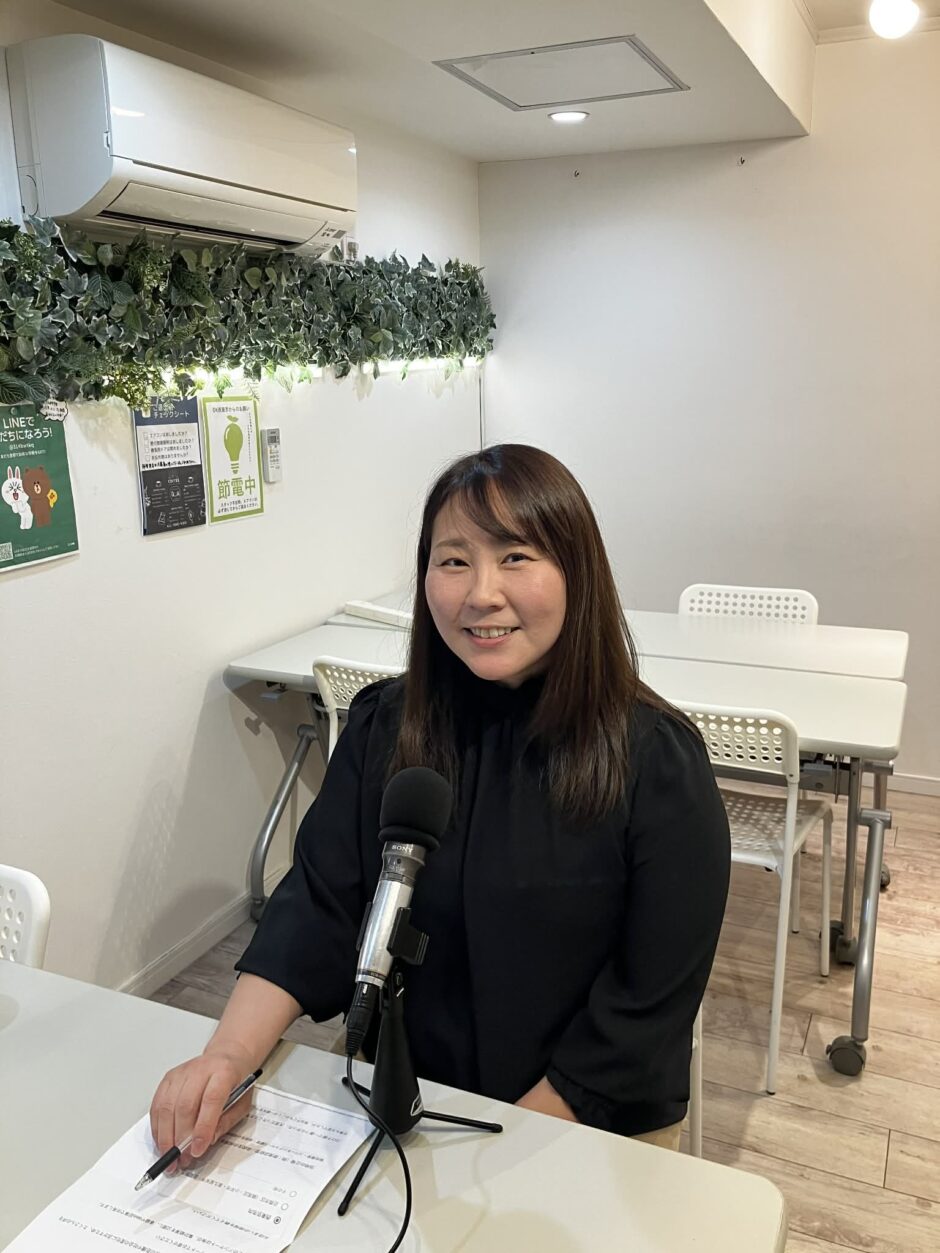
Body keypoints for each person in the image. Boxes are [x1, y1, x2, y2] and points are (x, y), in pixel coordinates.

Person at [149, 444, 730, 1165]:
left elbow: (648, 1004)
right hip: (409, 1095)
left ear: (577, 571)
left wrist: (508, 1147)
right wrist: (227, 1056)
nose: (481, 593)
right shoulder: (385, 727)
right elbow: (320, 903)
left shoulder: (657, 761)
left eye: (515, 557)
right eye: (454, 561)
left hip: (587, 1122)